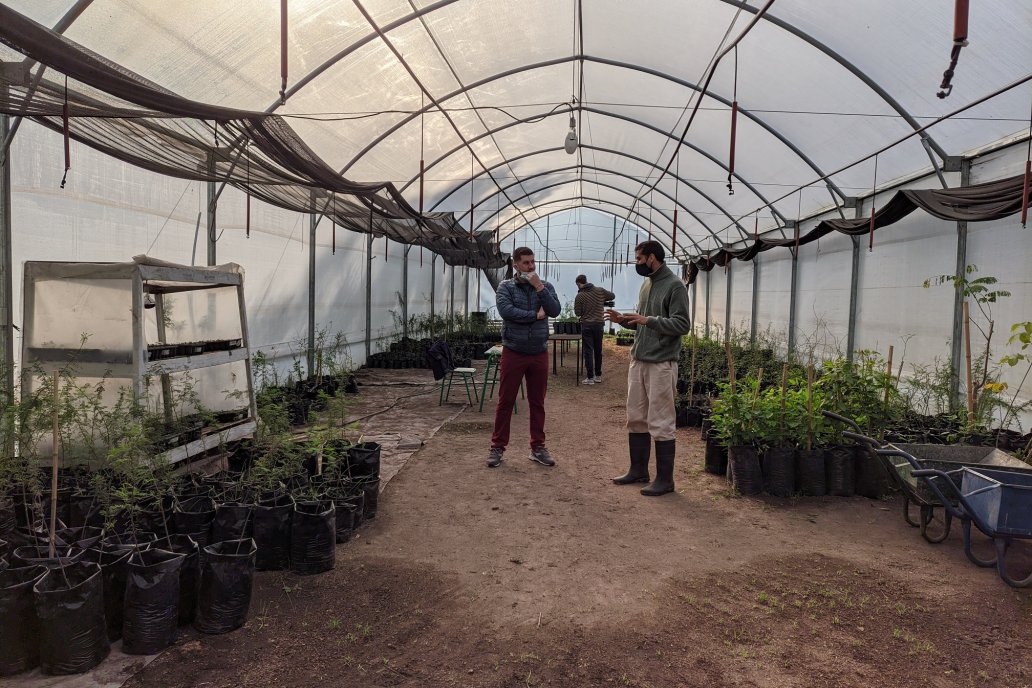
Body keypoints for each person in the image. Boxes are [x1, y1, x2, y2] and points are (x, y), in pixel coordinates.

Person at [604, 240, 691, 496]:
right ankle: (638, 470)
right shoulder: (647, 284)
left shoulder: (675, 286)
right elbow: (644, 321)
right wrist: (625, 321)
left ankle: (666, 480)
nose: (637, 263)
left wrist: (648, 320)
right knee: (636, 417)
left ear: (652, 258)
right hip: (639, 360)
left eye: (639, 259)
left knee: (661, 420)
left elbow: (682, 324)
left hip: (661, 363)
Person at [487, 247, 562, 469]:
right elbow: (507, 312)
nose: (531, 266)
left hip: (539, 351)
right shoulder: (505, 287)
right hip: (514, 351)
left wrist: (539, 287)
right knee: (505, 401)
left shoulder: (545, 287)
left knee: (537, 402)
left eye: (533, 262)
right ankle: (497, 448)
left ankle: (537, 447)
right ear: (516, 265)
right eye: (527, 263)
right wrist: (535, 316)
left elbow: (555, 310)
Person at [574, 275, 615, 385]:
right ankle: (598, 376)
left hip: (586, 325)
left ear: (578, 283)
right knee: (598, 350)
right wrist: (602, 300)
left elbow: (578, 313)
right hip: (598, 325)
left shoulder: (580, 296)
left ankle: (590, 377)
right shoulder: (600, 290)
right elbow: (612, 296)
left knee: (588, 351)